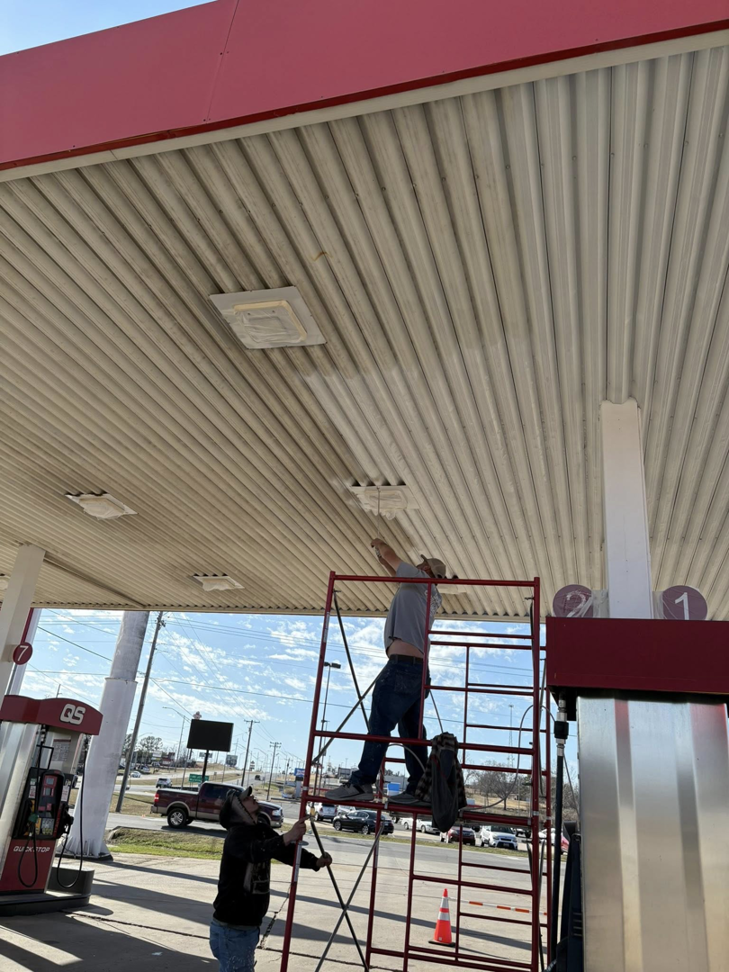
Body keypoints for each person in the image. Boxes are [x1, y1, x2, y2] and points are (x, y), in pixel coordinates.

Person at [326, 538, 446, 805]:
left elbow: (394, 557)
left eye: (421, 563)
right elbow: (398, 575)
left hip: (402, 665)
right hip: (417, 669)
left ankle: (362, 783)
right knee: (412, 733)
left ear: (426, 570)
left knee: (380, 724)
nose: (417, 564)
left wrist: (382, 545)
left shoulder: (417, 581)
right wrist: (386, 563)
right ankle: (418, 787)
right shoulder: (429, 593)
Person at [210, 787, 332, 971]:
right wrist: (289, 835)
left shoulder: (260, 829)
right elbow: (256, 851)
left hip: (248, 927)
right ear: (238, 809)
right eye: (246, 798)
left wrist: (314, 861)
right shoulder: (236, 835)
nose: (252, 797)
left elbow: (284, 851)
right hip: (232, 928)